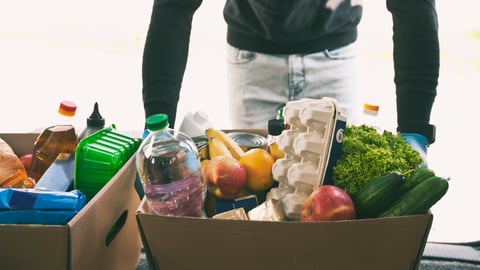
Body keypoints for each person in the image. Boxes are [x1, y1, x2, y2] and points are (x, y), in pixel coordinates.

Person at [141, 0, 439, 166]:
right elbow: (174, 6)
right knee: (255, 202)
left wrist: (415, 128)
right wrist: (157, 124)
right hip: (252, 63)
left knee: (341, 211)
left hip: (334, 58)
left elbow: (413, 7)